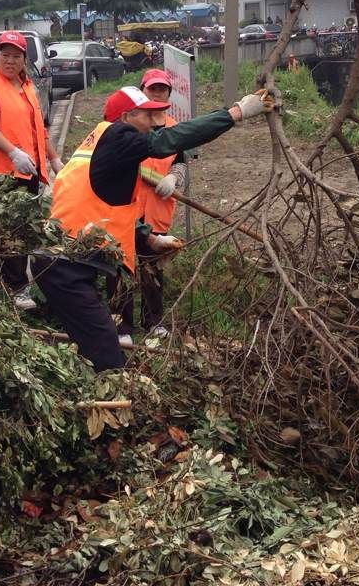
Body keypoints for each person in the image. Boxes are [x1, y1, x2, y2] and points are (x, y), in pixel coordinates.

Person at [34, 85, 277, 371]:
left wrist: (149, 239)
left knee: (94, 341)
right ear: (126, 117)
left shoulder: (99, 141)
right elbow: (173, 138)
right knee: (107, 356)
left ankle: (91, 388)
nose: (153, 122)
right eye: (146, 116)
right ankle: (112, 403)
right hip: (65, 269)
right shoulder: (120, 137)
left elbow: (103, 207)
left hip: (62, 261)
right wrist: (235, 113)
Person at [0, 30, 63, 310]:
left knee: (22, 231)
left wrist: (54, 158)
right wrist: (12, 152)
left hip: (30, 170)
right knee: (8, 231)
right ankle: (14, 289)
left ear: (24, 60)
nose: (10, 61)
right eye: (5, 55)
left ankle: (16, 284)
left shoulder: (26, 86)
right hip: (3, 173)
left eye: (16, 56)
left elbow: (40, 128)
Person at [108, 70, 185, 345]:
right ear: (143, 91)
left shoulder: (174, 128)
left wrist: (174, 178)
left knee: (153, 269)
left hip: (157, 209)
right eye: (153, 89)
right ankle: (121, 325)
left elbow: (181, 160)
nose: (158, 93)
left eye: (163, 90)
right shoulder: (131, 125)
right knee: (121, 266)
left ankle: (153, 322)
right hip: (127, 208)